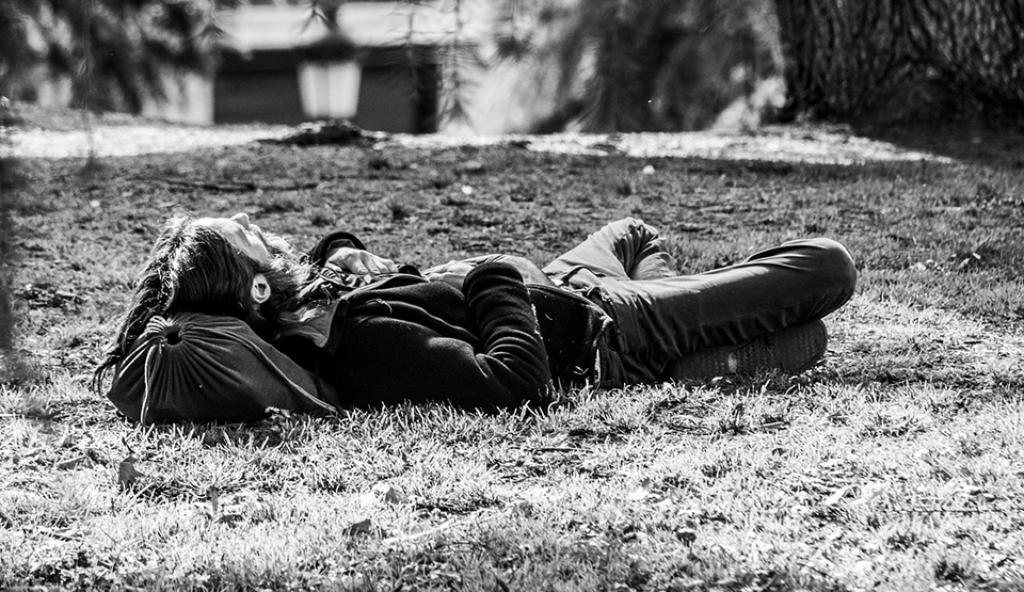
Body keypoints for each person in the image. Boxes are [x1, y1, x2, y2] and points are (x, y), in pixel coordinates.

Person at [95, 214, 856, 414]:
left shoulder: (310, 307)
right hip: (605, 328)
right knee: (827, 268)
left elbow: (333, 262)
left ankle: (707, 340)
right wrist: (492, 276)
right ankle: (684, 341)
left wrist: (344, 254)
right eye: (249, 237)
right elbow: (512, 382)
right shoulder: (362, 349)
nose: (259, 227)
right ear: (257, 291)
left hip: (564, 282)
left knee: (632, 231)